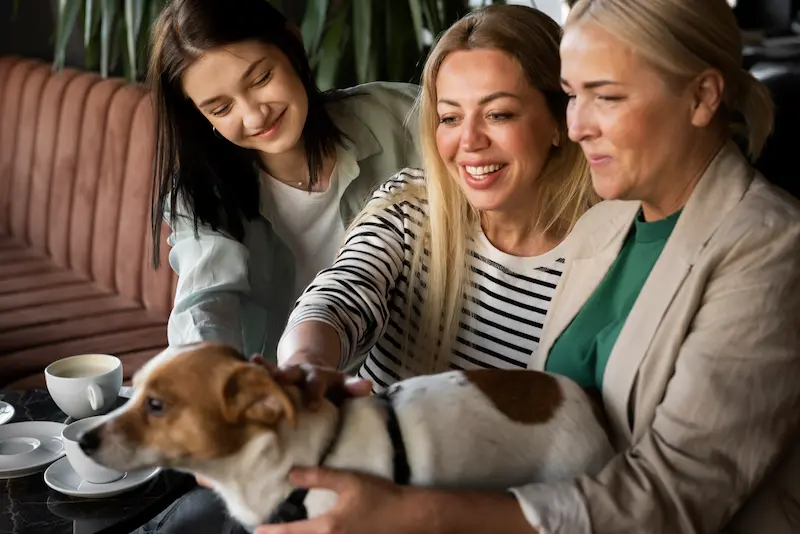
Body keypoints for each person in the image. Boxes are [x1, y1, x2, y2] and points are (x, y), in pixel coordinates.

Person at [255, 1, 800, 533]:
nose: (580, 124)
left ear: (703, 96)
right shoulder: (617, 223)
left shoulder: (766, 246)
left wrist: (415, 513)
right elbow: (344, 294)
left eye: (604, 97)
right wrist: (307, 363)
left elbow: (671, 496)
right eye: (572, 96)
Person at [275, 4, 596, 390]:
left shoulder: (609, 252)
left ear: (560, 122)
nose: (469, 141)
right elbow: (341, 295)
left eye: (499, 114)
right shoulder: (410, 207)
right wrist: (305, 363)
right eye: (450, 117)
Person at [149, 0, 421, 368]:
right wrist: (204, 374)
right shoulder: (202, 196)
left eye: (261, 79)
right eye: (221, 108)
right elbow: (205, 303)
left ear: (292, 45)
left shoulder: (402, 117)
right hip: (291, 400)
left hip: (418, 386)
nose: (254, 115)